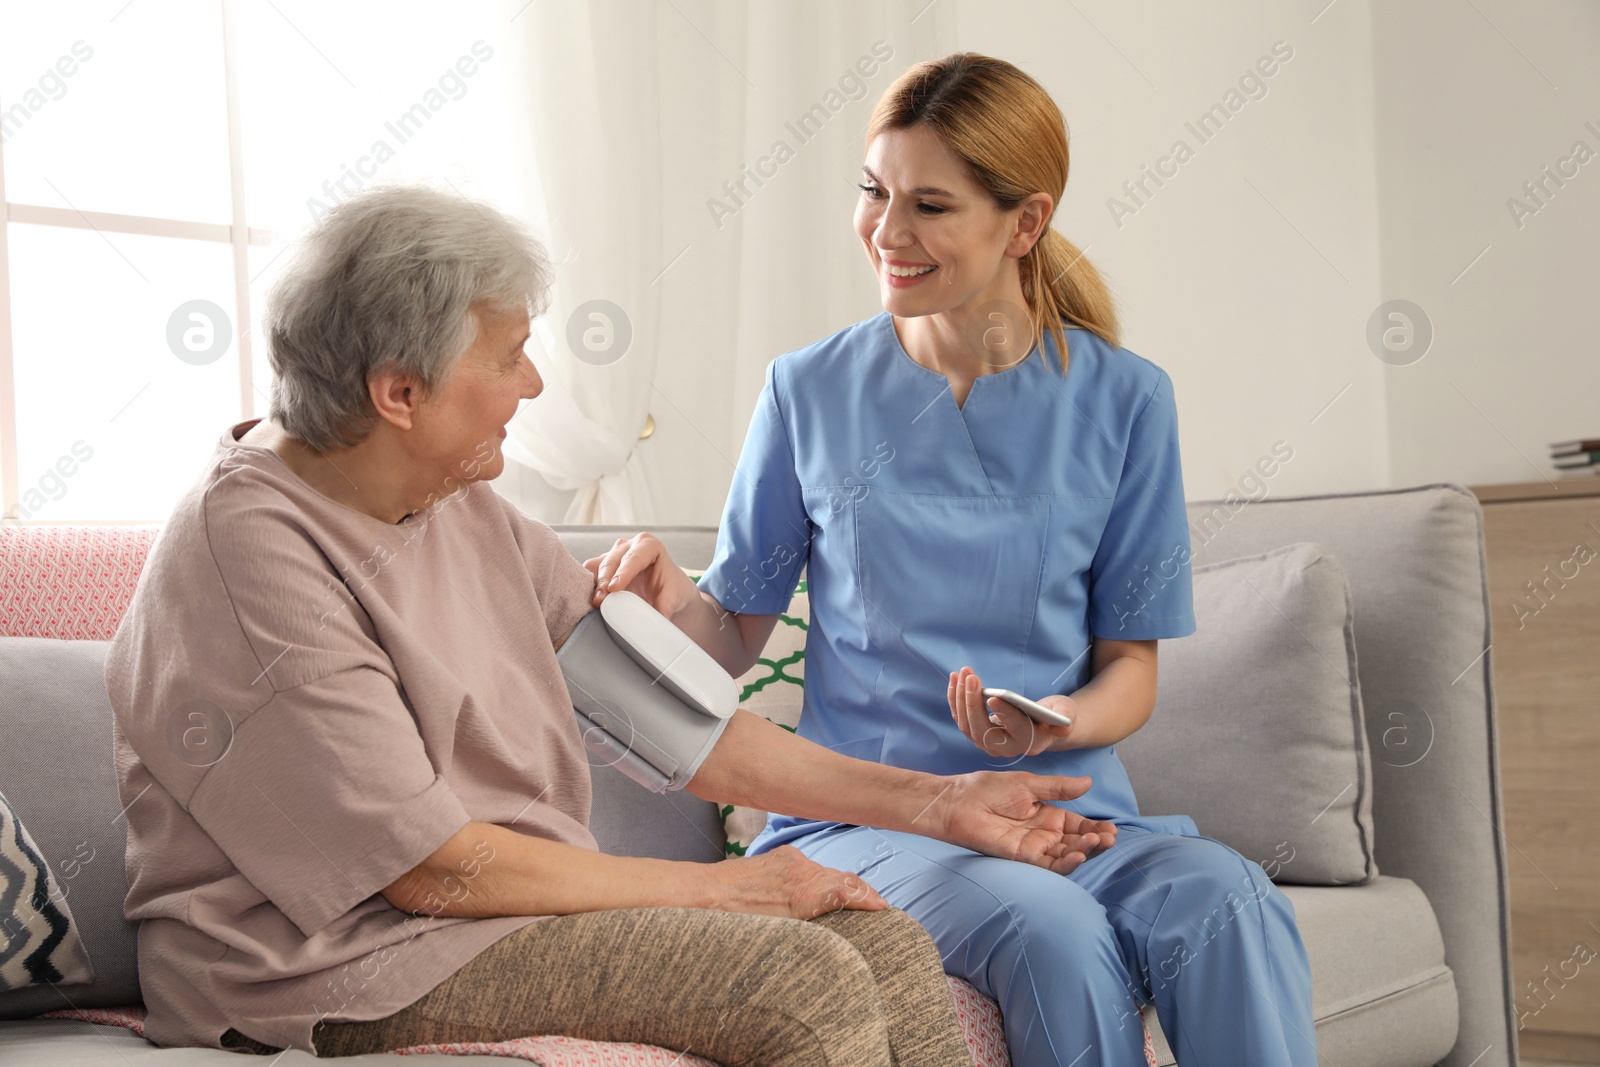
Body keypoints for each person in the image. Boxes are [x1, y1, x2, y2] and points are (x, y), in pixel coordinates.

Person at [105, 183, 1123, 1064]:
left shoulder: (462, 509)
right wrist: (729, 891)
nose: (534, 384)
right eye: (508, 356)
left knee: (885, 938)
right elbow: (429, 866)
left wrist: (938, 803)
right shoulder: (251, 553)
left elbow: (687, 728)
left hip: (490, 915)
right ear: (400, 391)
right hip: (329, 962)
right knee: (799, 979)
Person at [589, 54, 1318, 1067]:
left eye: (929, 203)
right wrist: (671, 597)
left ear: (1023, 224)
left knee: (1232, 899)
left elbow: (1130, 671)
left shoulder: (1125, 400)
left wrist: (1050, 725)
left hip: (1064, 810)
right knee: (1051, 932)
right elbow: (728, 638)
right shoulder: (806, 392)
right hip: (864, 820)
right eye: (873, 192)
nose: (887, 232)